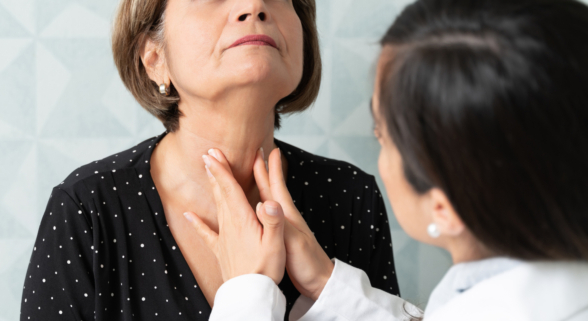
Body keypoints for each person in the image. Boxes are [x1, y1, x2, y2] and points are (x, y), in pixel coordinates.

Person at [192, 0, 588, 320]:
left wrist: (247, 293)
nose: (254, 6)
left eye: (380, 134)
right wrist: (328, 284)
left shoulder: (350, 194)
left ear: (443, 207)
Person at [19, 0, 400, 320]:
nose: (254, 6)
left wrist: (330, 285)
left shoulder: (350, 196)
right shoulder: (87, 210)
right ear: (154, 58)